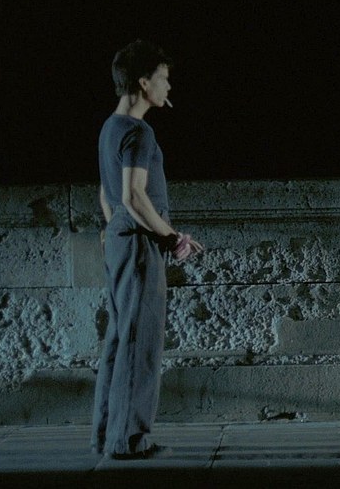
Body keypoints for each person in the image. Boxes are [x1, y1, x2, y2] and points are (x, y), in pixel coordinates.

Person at [91, 39, 203, 459]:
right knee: (141, 342)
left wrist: (114, 227)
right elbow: (135, 196)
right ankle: (130, 440)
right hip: (139, 245)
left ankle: (106, 435)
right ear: (143, 82)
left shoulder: (110, 127)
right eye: (164, 79)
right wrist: (173, 238)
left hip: (120, 240)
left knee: (120, 339)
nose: (168, 87)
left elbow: (107, 194)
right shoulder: (139, 131)